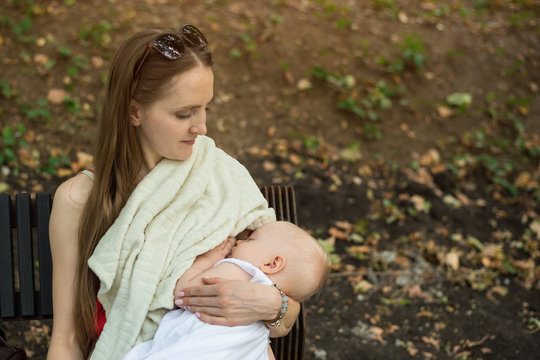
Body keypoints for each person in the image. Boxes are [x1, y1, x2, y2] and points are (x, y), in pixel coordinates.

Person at [47, 25, 301, 360]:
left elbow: (281, 305)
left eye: (205, 107)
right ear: (134, 111)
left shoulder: (220, 177)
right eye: (184, 114)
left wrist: (274, 304)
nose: (202, 127)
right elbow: (66, 341)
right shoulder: (79, 201)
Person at [123, 221, 330, 360]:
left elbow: (184, 293)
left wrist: (208, 260)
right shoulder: (262, 321)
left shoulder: (241, 270)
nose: (239, 241)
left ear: (272, 264)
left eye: (251, 239)